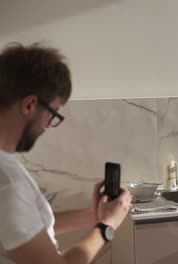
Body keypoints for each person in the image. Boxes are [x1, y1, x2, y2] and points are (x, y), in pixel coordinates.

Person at [0, 43, 132, 263]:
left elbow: (23, 229)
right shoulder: (8, 182)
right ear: (30, 105)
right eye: (52, 114)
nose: (48, 126)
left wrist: (93, 216)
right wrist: (106, 226)